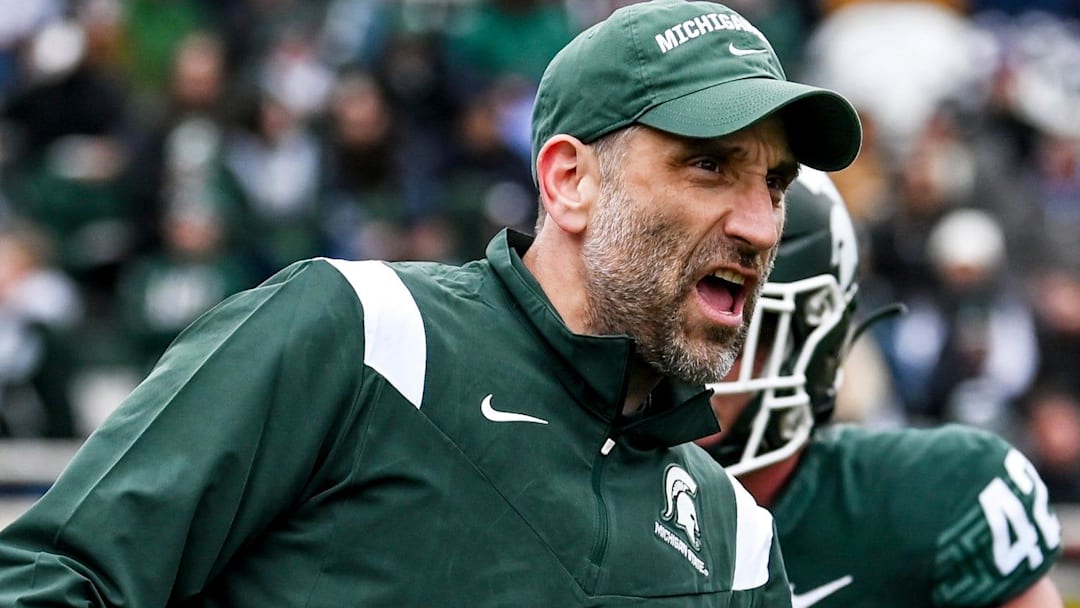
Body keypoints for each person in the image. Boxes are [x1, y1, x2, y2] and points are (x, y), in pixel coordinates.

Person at [0, 1, 862, 605]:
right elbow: (55, 578)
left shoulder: (736, 542)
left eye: (776, 184)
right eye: (708, 165)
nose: (759, 226)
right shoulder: (360, 336)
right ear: (570, 181)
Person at [695, 167, 1065, 607]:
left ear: (805, 343)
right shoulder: (596, 503)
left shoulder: (935, 499)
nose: (685, 363)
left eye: (732, 333)